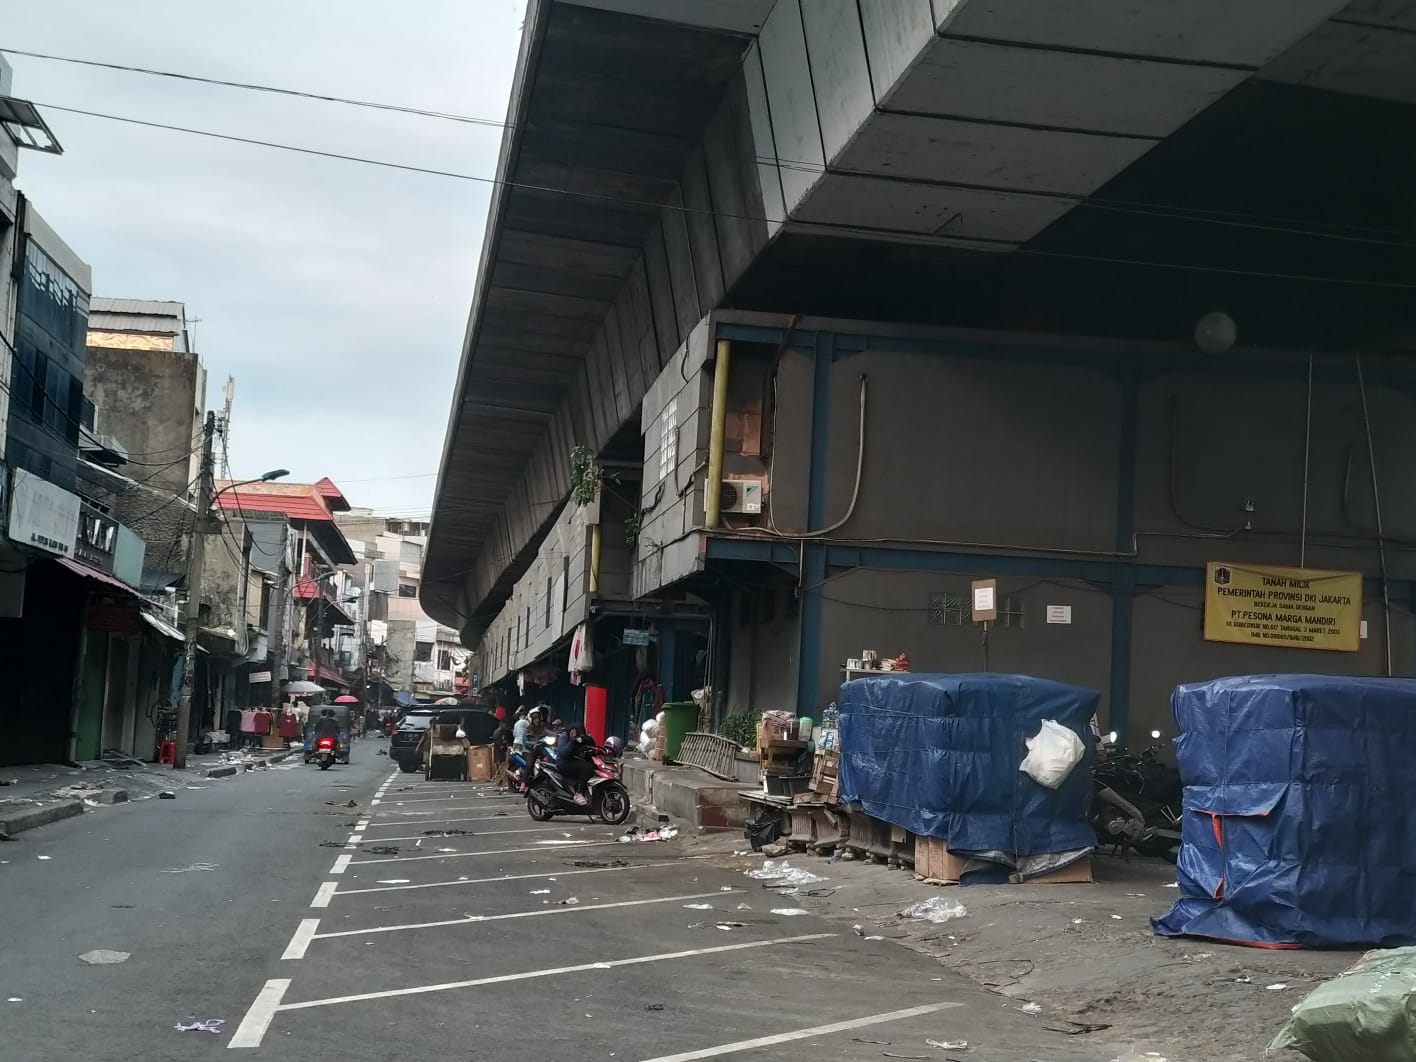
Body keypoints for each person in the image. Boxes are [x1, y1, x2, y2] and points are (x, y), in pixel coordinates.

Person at [554, 725, 594, 805]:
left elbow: (591, 746)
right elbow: (564, 753)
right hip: (563, 763)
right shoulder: (564, 737)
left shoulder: (579, 738)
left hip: (574, 760)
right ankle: (578, 793)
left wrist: (589, 739)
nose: (580, 737)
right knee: (586, 767)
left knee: (592, 767)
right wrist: (572, 741)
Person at [492, 708, 512, 791]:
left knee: (501, 770)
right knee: (502, 769)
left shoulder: (502, 732)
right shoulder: (498, 732)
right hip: (499, 754)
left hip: (501, 753)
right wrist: (503, 745)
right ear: (501, 724)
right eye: (504, 724)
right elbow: (498, 743)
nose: (505, 725)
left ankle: (499, 785)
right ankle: (501, 785)